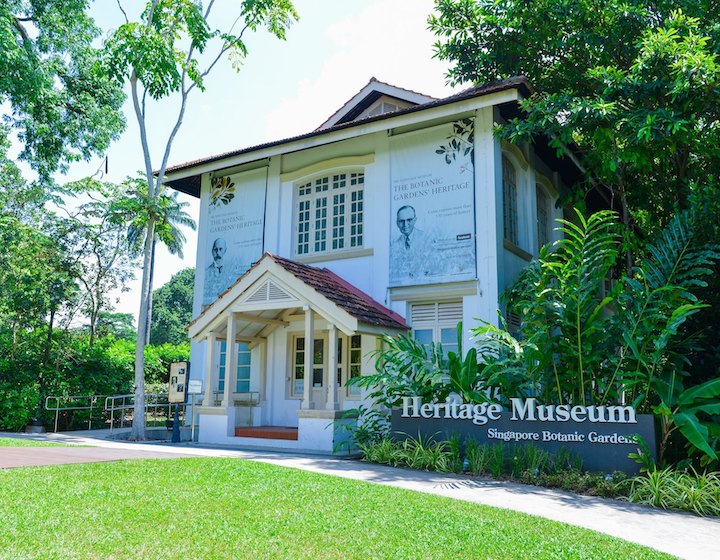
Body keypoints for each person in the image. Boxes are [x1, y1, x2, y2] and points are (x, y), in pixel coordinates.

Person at [390, 205, 433, 282]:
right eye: (401, 221)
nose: (405, 224)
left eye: (409, 220)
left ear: (415, 220)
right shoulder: (394, 245)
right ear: (397, 223)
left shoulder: (426, 238)